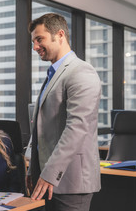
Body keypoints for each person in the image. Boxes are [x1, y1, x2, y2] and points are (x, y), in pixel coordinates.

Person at [26, 13, 101, 211]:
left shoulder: (81, 72)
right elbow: (42, 127)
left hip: (71, 183)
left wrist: (49, 173)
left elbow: (77, 128)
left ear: (60, 35)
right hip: (47, 180)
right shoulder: (53, 74)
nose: (35, 47)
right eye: (33, 41)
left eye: (39, 39)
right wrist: (33, 168)